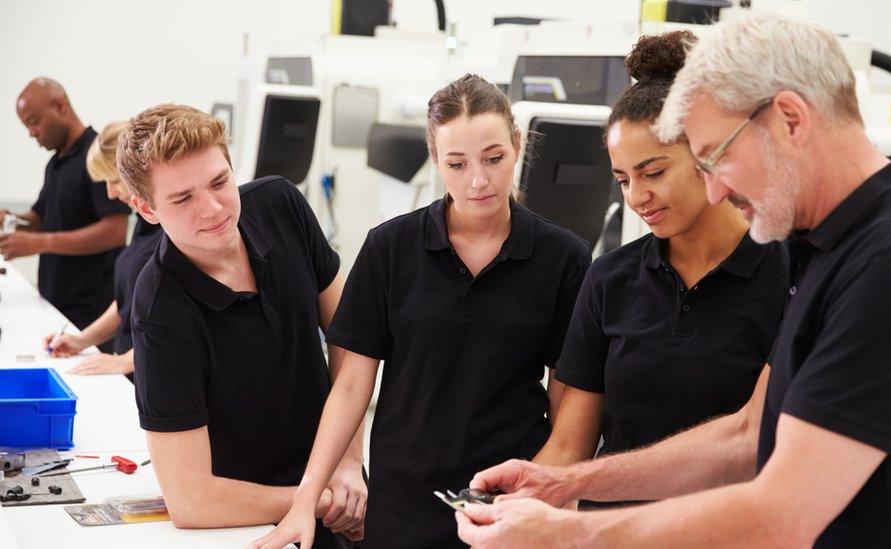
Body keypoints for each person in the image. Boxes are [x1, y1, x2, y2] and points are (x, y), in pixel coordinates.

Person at [458, 12, 891, 548]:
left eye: (718, 157)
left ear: (791, 119)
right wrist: (567, 481)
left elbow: (783, 511)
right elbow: (748, 433)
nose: (716, 192)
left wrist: (571, 535)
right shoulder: (827, 250)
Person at [250, 74, 591, 549]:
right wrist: (305, 499)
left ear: (518, 145)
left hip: (509, 499)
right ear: (435, 160)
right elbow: (350, 386)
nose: (478, 180)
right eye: (457, 163)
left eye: (494, 158)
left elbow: (568, 396)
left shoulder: (564, 257)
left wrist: (552, 493)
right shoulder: (390, 248)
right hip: (404, 501)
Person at [533, 32, 787, 502]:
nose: (636, 197)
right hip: (610, 530)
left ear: (708, 155)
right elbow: (569, 447)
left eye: (653, 173)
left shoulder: (789, 275)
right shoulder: (610, 279)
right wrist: (513, 499)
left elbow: (761, 442)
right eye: (622, 180)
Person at [118, 104, 366, 547]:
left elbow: (352, 336)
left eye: (219, 182)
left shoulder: (280, 203)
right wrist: (314, 499)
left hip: (338, 478)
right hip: (248, 519)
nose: (212, 208)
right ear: (146, 209)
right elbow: (192, 502)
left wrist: (347, 461)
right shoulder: (160, 311)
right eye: (183, 198)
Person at [3, 78, 129, 339]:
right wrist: (11, 219)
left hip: (91, 311)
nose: (31, 132)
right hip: (54, 303)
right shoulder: (56, 164)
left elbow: (115, 231)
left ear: (60, 106)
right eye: (26, 126)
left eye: (34, 121)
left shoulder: (96, 156)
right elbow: (39, 218)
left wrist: (40, 243)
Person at [42, 121, 163, 376]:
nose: (109, 193)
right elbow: (126, 304)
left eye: (113, 180)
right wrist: (81, 340)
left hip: (155, 372)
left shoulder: (174, 231)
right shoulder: (144, 223)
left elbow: (183, 317)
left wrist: (129, 360)